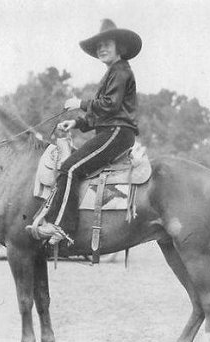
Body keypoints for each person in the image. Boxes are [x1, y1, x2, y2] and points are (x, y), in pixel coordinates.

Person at [28, 19, 142, 247]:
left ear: (120, 48)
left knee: (70, 168)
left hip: (117, 132)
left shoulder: (120, 71)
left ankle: (62, 227)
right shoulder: (113, 73)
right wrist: (77, 123)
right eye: (98, 46)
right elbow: (103, 112)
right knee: (72, 167)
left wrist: (80, 102)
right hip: (112, 129)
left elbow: (108, 105)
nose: (101, 49)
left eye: (107, 44)